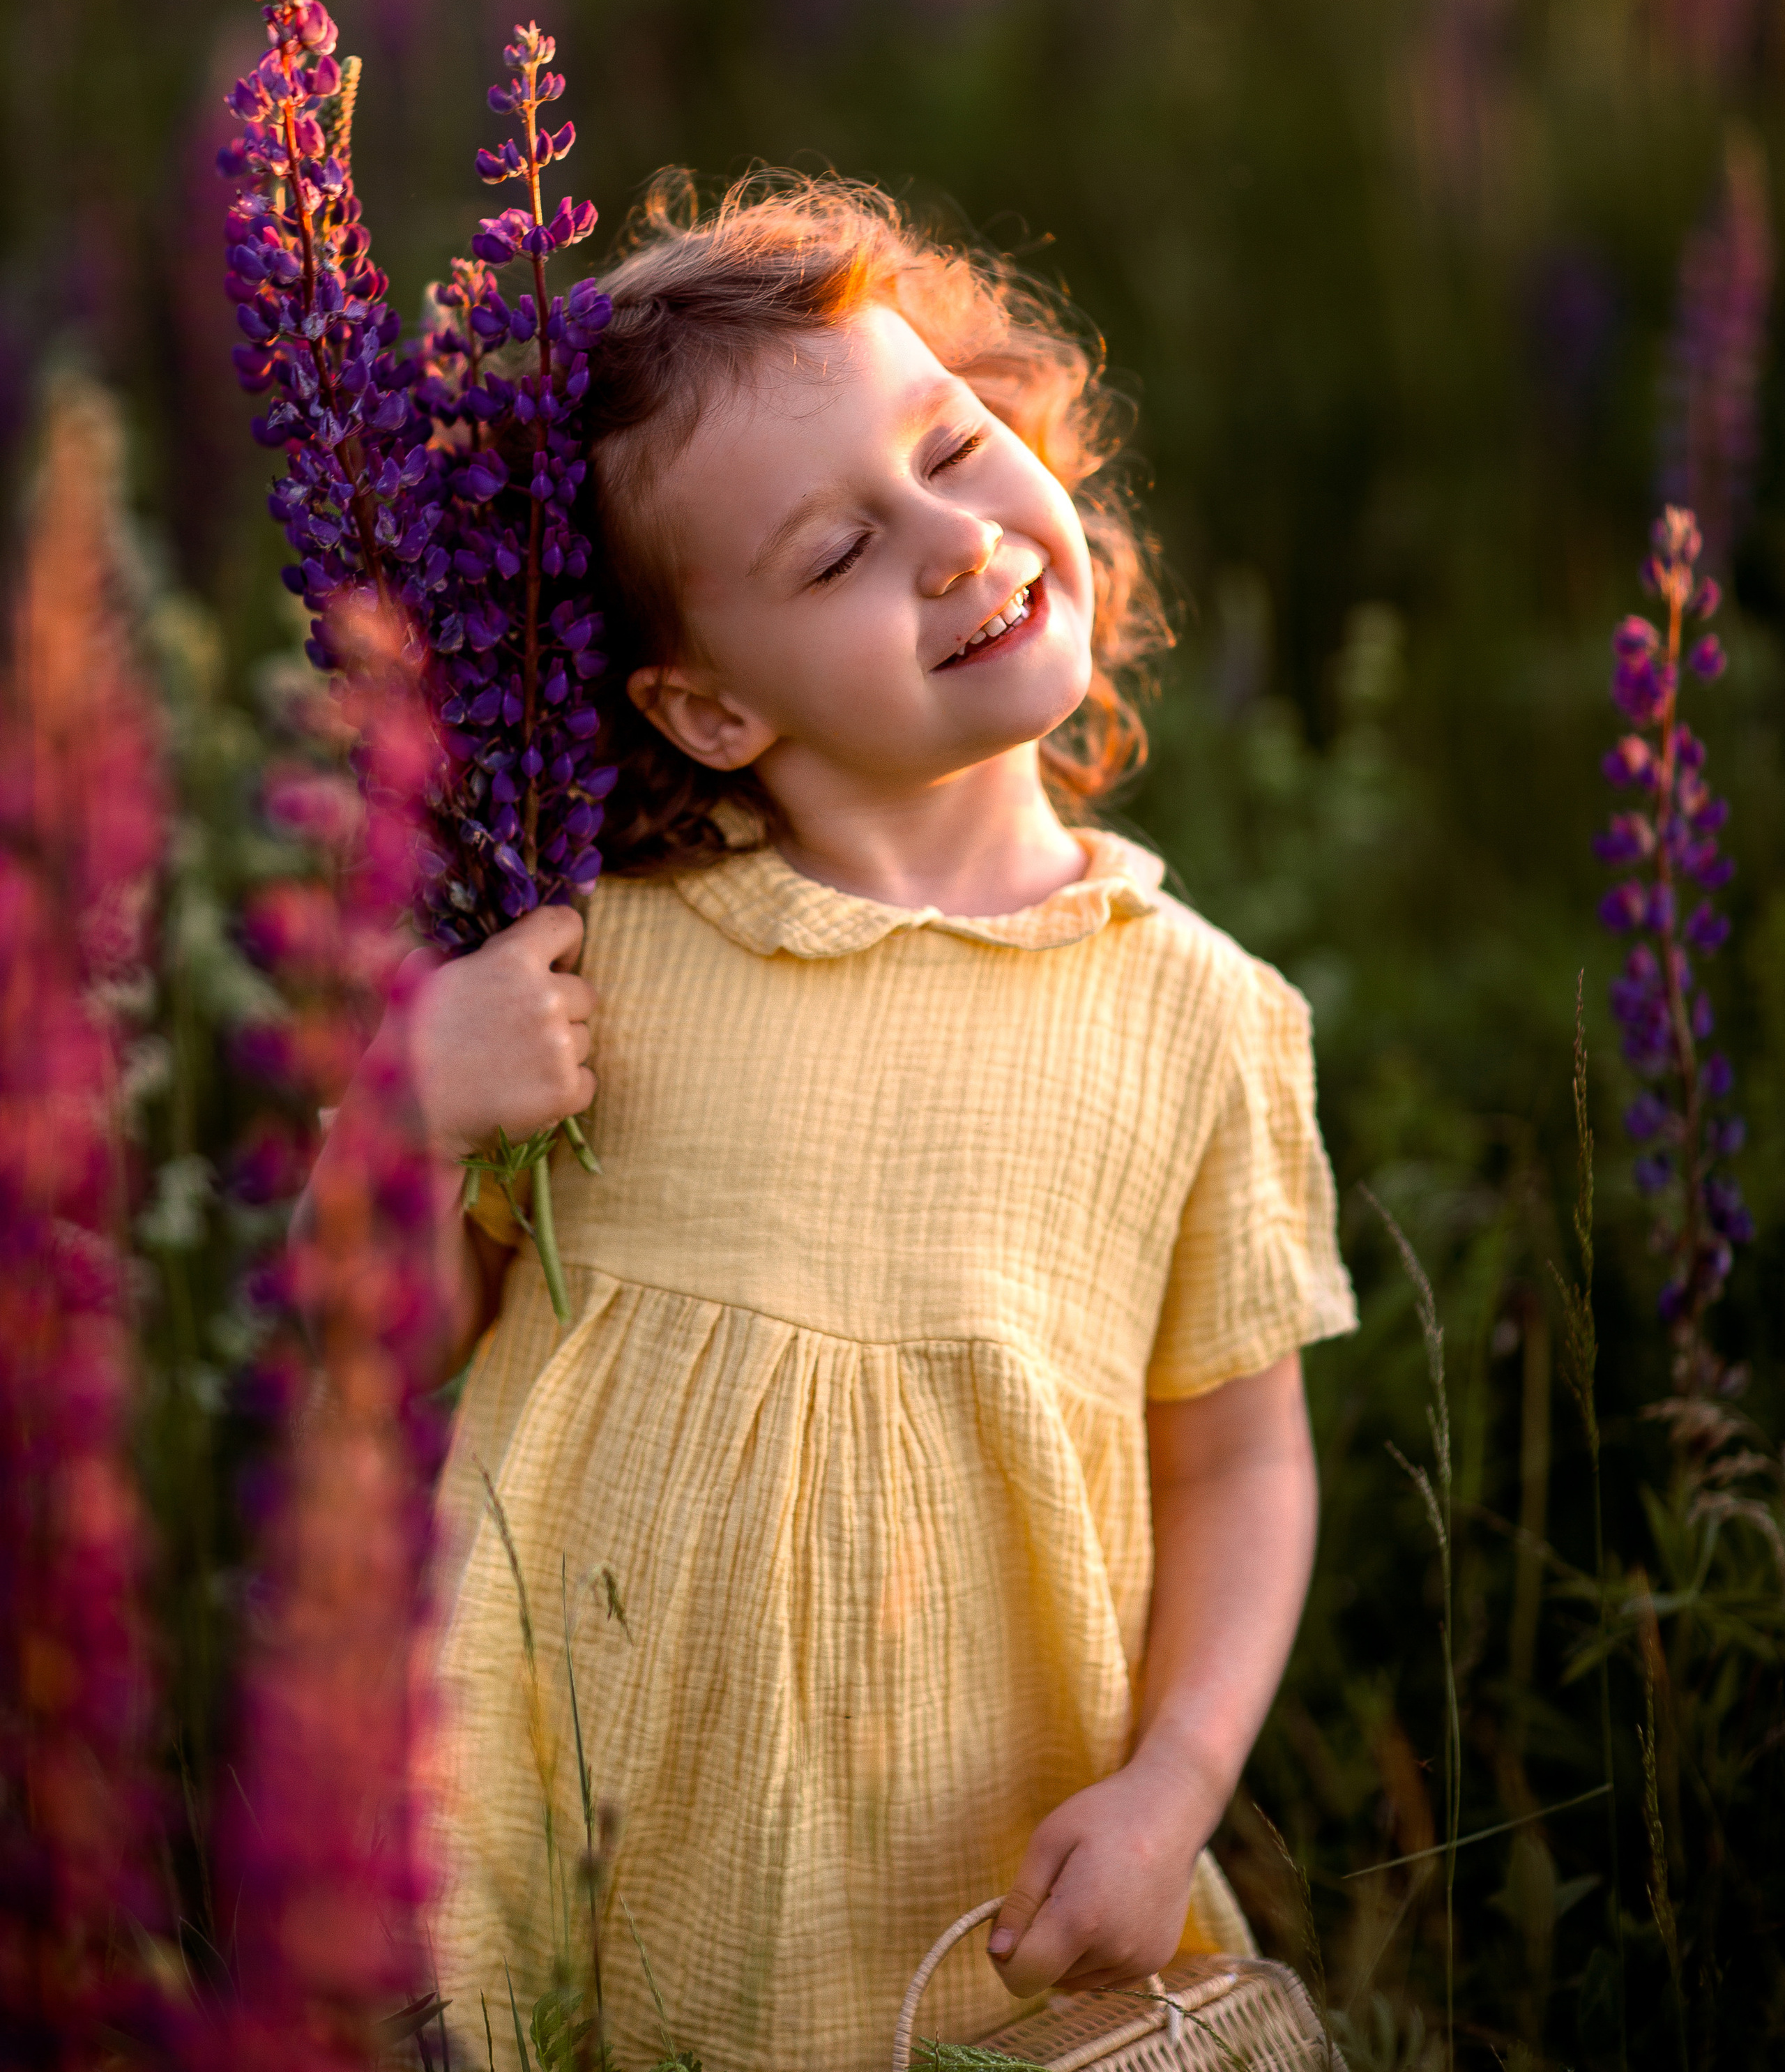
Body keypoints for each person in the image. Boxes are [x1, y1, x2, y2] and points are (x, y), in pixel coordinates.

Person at [331, 176, 1356, 2069]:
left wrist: (1179, 1786)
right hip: (585, 1888)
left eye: (955, 447)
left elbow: (1237, 1469)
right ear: (703, 709)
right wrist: (402, 1108)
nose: (955, 540)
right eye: (833, 557)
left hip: (980, 1915)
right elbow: (379, 1344)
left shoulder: (1199, 1016)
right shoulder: (588, 968)